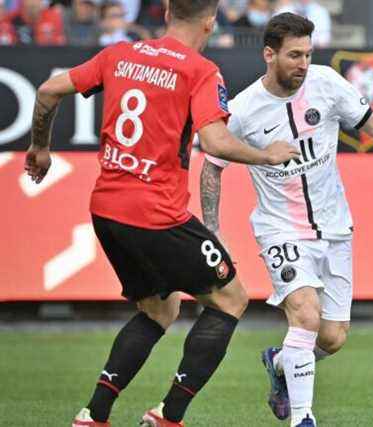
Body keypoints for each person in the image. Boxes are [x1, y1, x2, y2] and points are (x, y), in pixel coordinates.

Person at [23, 0, 299, 425]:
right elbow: (216, 142)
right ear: (210, 22)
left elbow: (47, 91)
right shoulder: (200, 71)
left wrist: (40, 148)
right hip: (157, 214)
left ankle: (94, 415)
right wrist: (267, 155)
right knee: (231, 299)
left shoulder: (119, 54)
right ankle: (169, 415)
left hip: (107, 210)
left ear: (168, 13)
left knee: (159, 310)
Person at [199, 13, 373, 427]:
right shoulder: (243, 110)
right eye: (294, 55)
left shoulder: (326, 83)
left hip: (334, 227)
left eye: (308, 53)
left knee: (332, 338)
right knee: (305, 313)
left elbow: (371, 123)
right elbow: (212, 165)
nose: (303, 63)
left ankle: (282, 362)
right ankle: (303, 419)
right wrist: (213, 229)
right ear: (269, 54)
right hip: (279, 228)